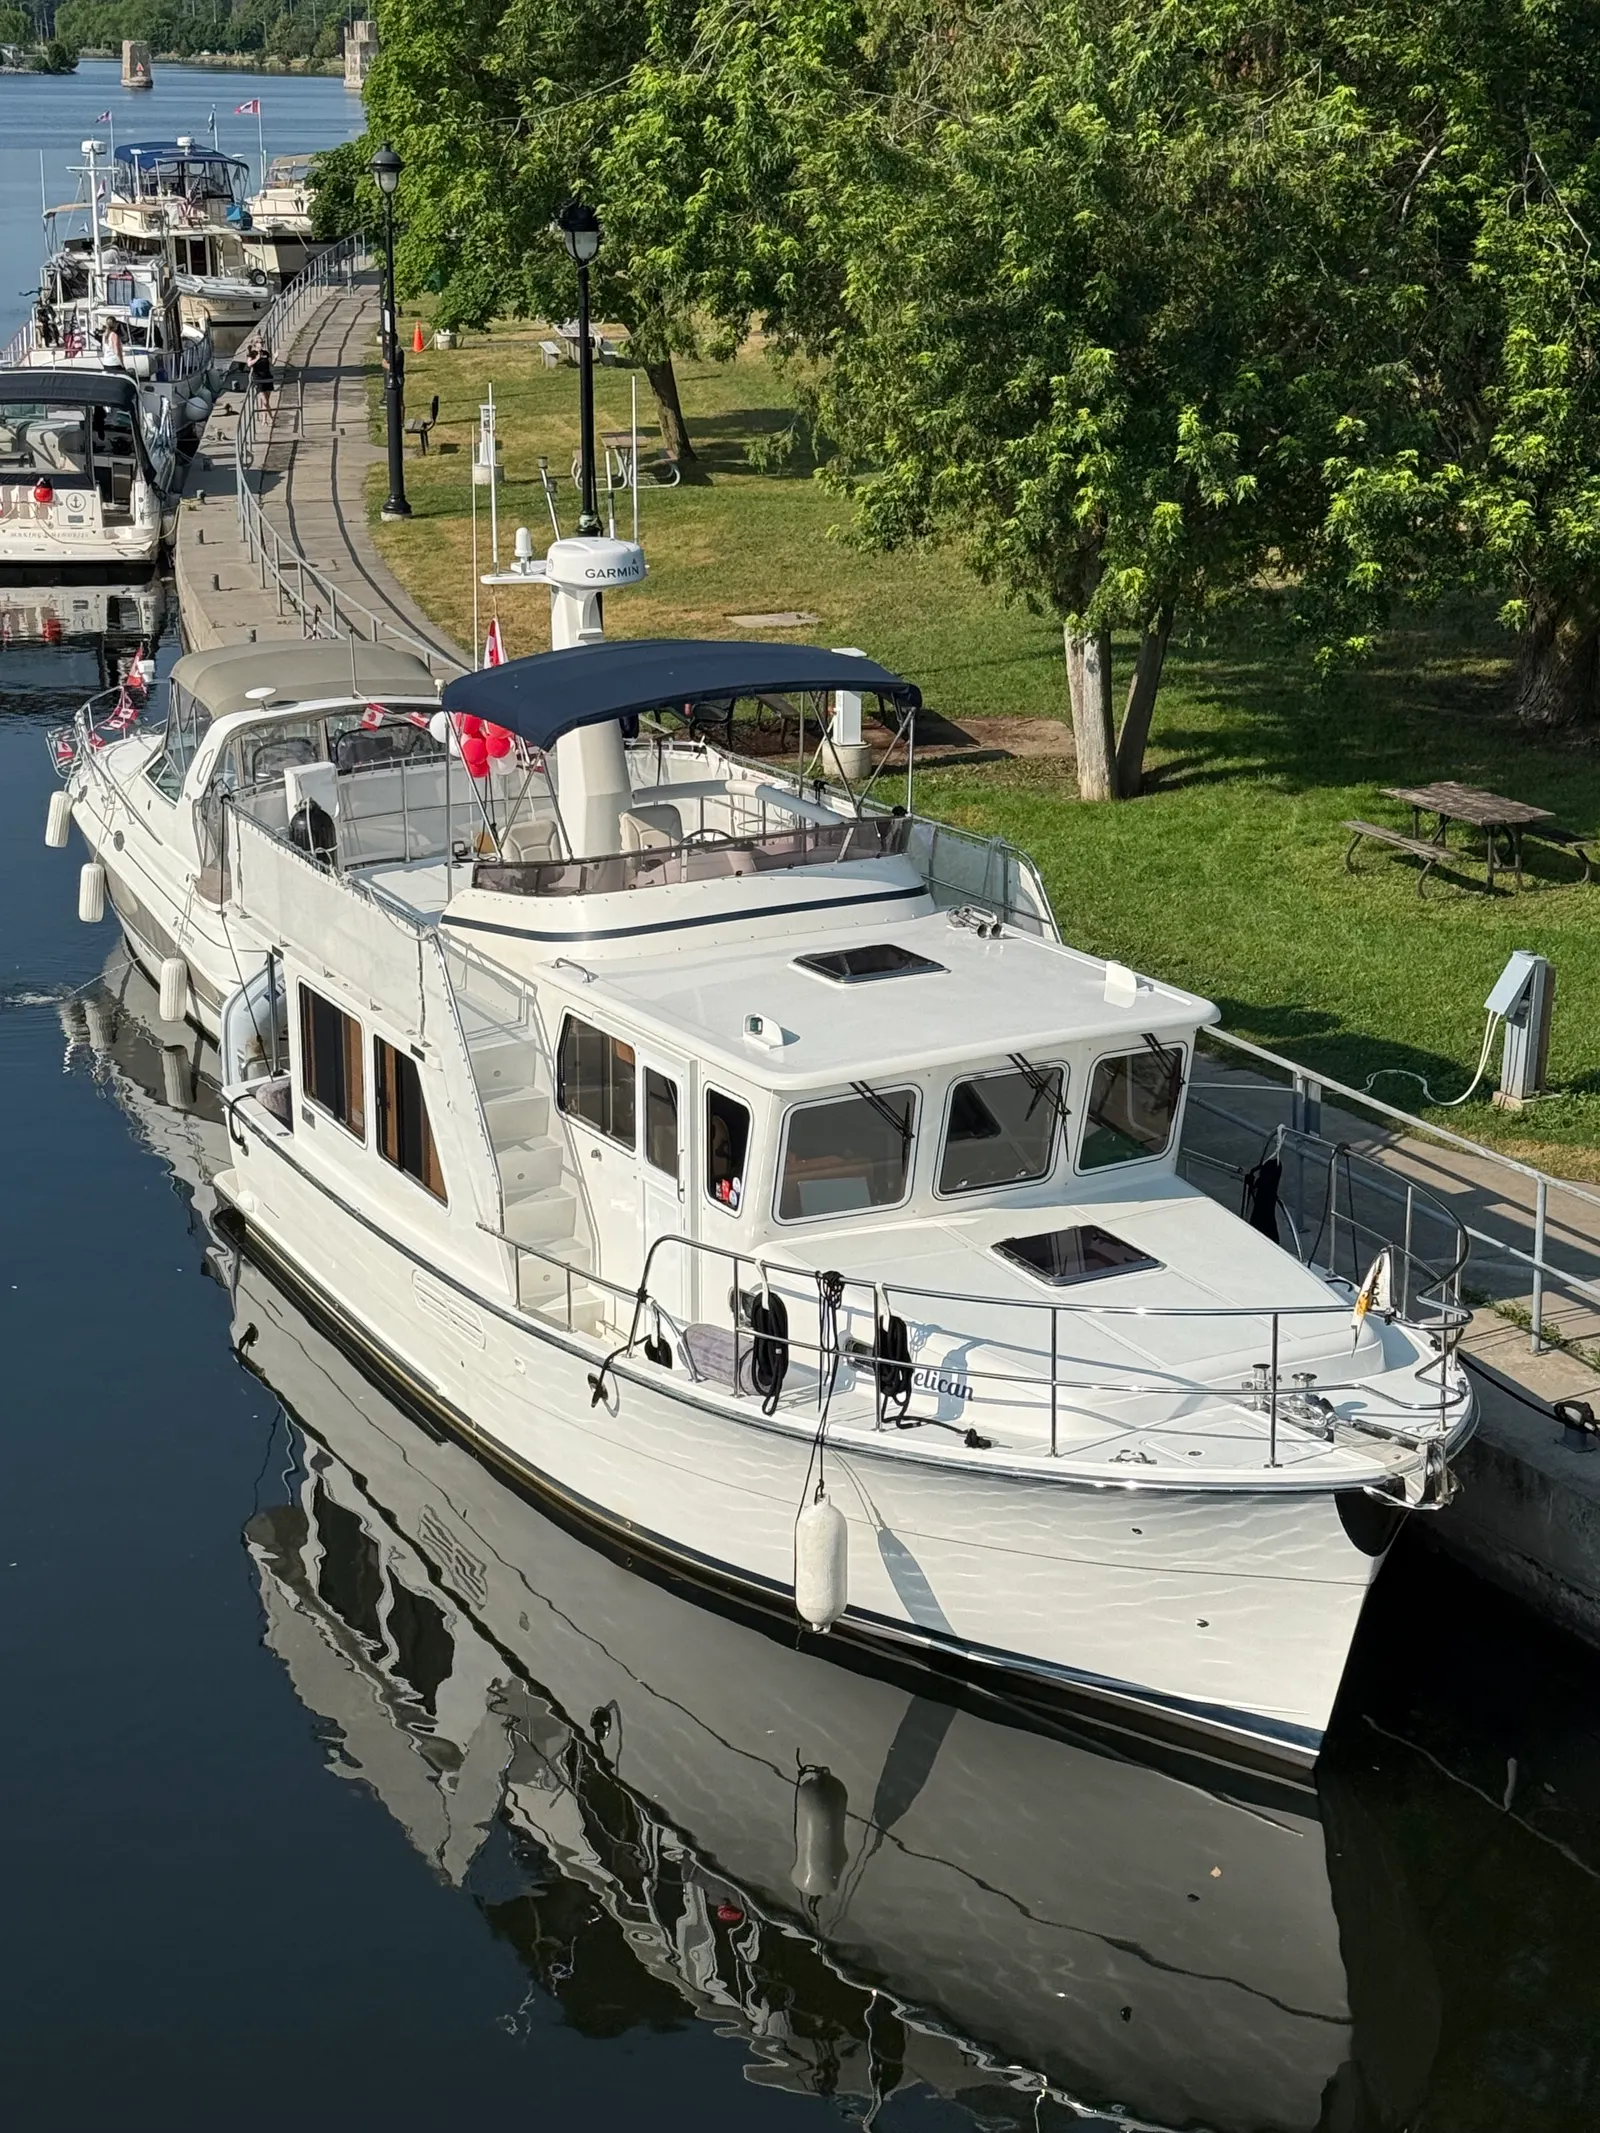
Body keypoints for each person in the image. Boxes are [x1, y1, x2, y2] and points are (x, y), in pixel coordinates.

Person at [242, 334, 275, 414]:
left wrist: (275, 358)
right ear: (255, 344)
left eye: (263, 342)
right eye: (260, 342)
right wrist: (257, 358)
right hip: (259, 379)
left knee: (266, 402)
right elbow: (249, 364)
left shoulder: (265, 353)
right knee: (265, 402)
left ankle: (264, 419)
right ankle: (272, 417)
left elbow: (271, 364)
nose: (262, 344)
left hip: (268, 378)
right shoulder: (252, 353)